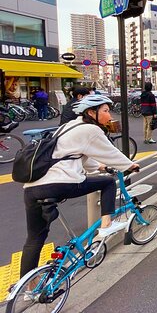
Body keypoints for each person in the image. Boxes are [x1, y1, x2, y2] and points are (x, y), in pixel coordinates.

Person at [20, 95, 140, 277]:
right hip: (59, 182)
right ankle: (107, 224)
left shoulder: (66, 127)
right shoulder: (91, 129)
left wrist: (100, 167)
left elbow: (73, 156)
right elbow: (110, 152)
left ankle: (27, 286)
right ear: (92, 113)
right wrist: (129, 165)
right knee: (107, 182)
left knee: (35, 238)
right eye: (106, 111)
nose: (109, 115)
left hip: (32, 187)